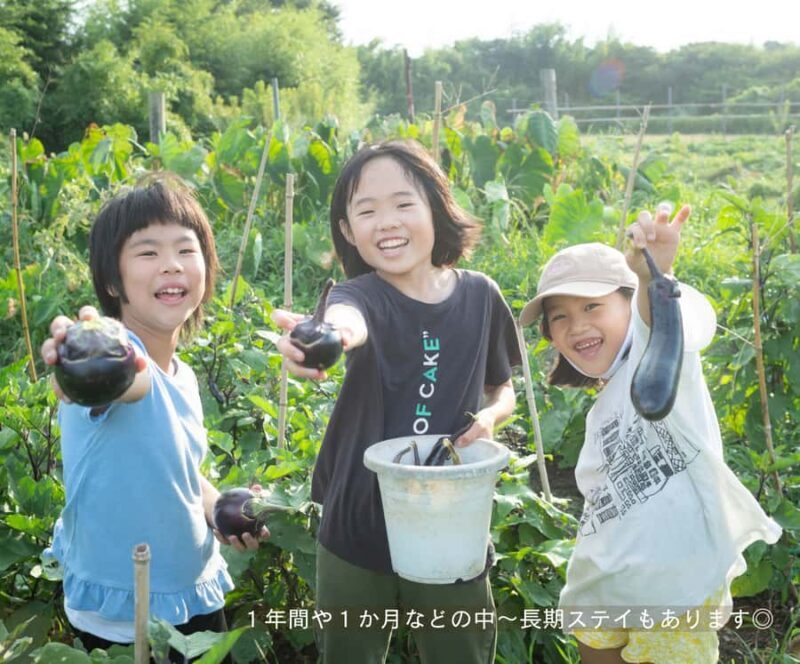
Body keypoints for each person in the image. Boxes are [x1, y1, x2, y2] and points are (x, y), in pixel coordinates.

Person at [272, 140, 521, 663]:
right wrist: (324, 340)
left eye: (404, 204)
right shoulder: (358, 297)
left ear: (436, 206)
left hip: (449, 519)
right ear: (348, 230)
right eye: (366, 211)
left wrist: (491, 416)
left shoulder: (481, 297)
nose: (387, 222)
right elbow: (347, 326)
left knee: (461, 653)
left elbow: (504, 388)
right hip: (357, 518)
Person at [519, 204, 782, 664]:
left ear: (628, 301)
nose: (577, 324)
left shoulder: (659, 360)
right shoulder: (603, 405)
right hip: (605, 576)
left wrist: (649, 275)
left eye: (593, 306)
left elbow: (651, 319)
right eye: (559, 317)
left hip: (673, 589)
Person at [40, 175, 265, 658]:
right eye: (147, 253)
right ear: (110, 280)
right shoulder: (121, 362)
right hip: (124, 607)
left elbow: (181, 469)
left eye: (186, 250)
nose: (171, 265)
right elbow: (125, 383)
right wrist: (77, 359)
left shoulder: (181, 373)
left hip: (192, 586)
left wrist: (217, 506)